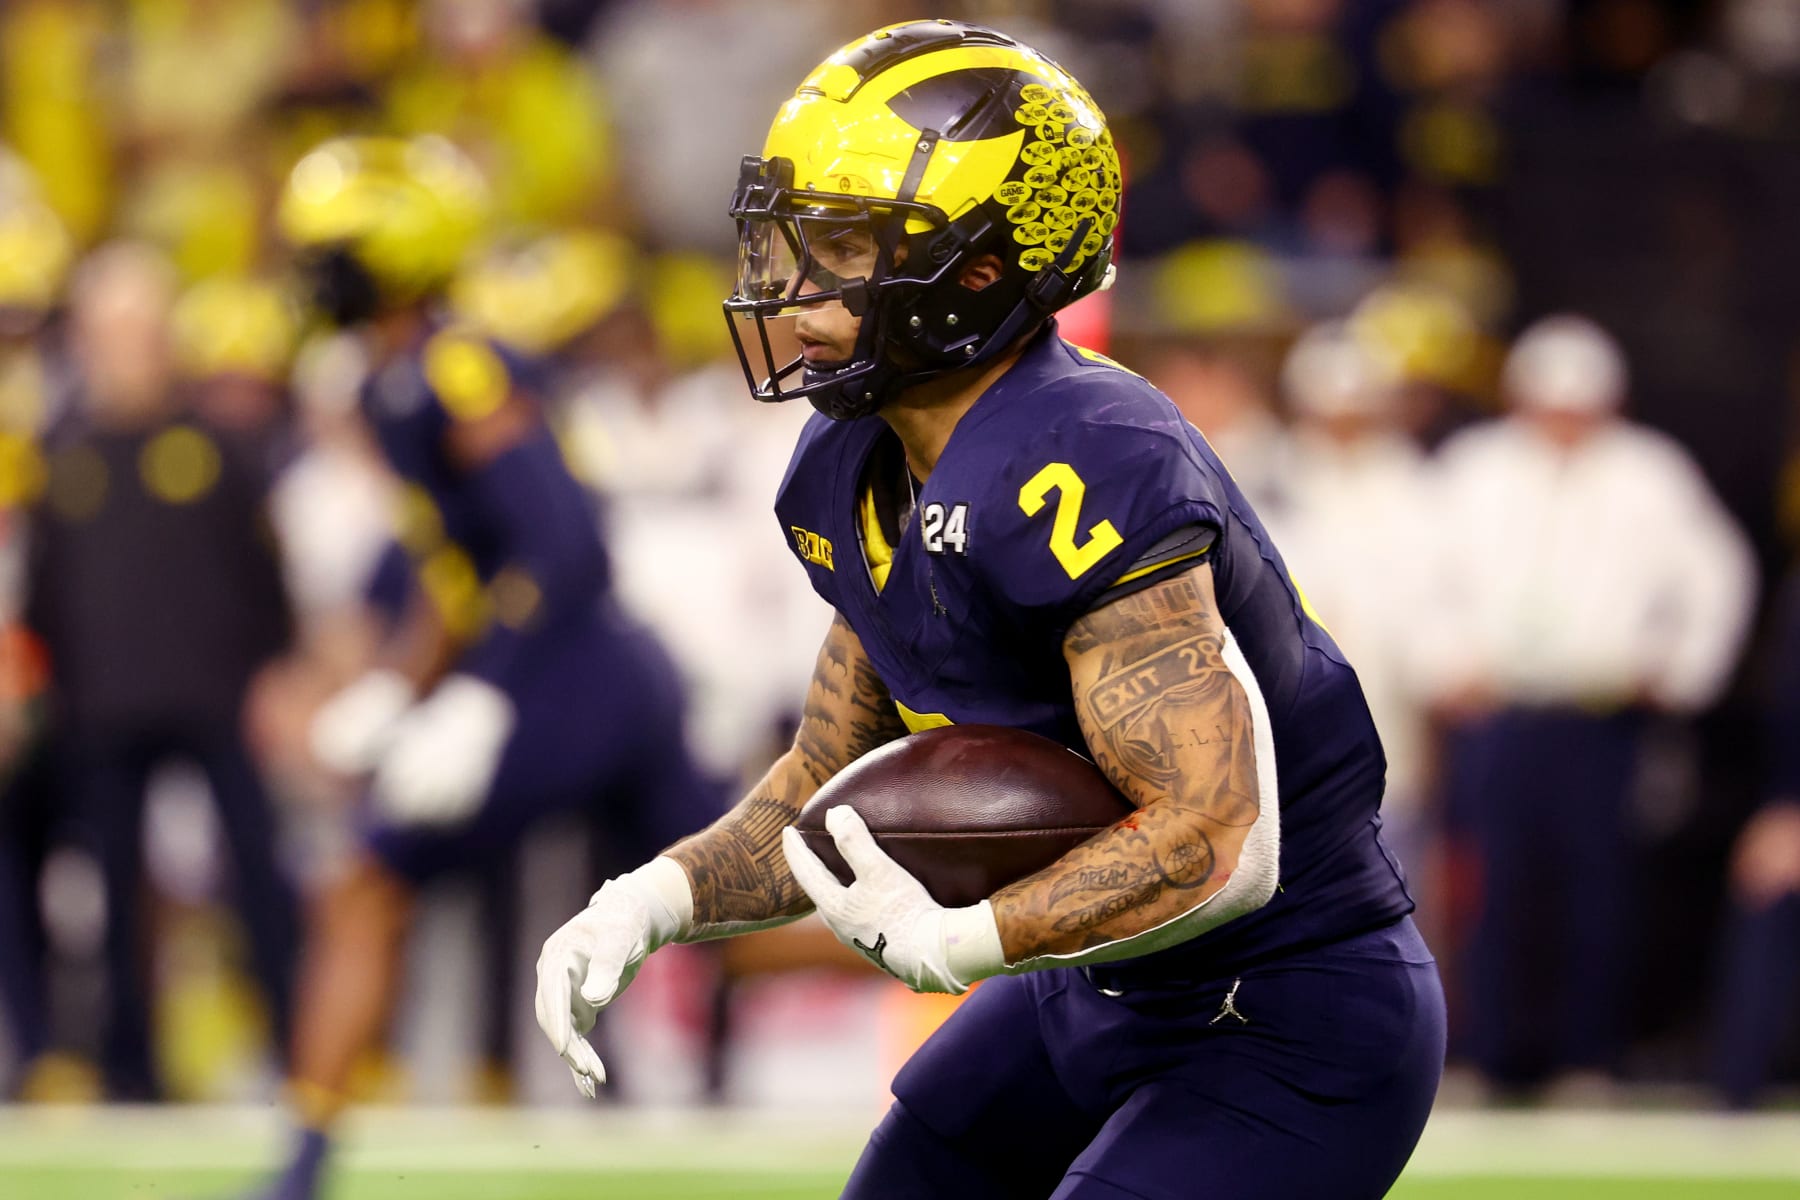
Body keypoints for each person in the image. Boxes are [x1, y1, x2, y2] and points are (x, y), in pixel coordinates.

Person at [537, 20, 1443, 1199]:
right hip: (1095, 983)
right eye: (789, 239)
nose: (793, 286)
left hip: (1283, 1000)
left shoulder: (1085, 458)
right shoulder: (849, 463)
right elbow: (824, 784)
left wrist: (968, 941)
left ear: (979, 266)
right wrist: (647, 902)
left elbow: (1224, 839)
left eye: (845, 244)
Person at [248, 136, 716, 1200]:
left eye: (331, 250)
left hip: (579, 671)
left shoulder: (459, 368)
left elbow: (567, 549)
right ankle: (987, 971)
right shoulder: (390, 378)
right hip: (571, 666)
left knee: (364, 884)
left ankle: (300, 1170)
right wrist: (400, 685)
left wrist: (476, 699)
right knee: (730, 909)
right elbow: (461, 576)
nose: (309, 270)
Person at [1421, 314, 1757, 1095]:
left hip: (1602, 712)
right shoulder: (1475, 470)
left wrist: (1676, 673)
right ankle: (1489, 1056)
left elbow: (1720, 577)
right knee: (1495, 887)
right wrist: (1446, 667)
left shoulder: (1651, 472)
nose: (1564, 426)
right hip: (1501, 712)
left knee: (1597, 890)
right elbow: (1425, 582)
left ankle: (1587, 1057)